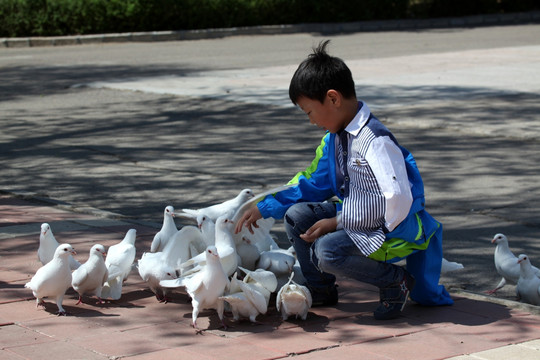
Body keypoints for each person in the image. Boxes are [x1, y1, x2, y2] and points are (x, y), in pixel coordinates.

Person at [235, 40, 453, 320]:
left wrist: (338, 222)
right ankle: (320, 289)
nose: (311, 121)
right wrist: (265, 206)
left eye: (310, 112)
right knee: (296, 215)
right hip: (361, 216)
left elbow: (396, 201)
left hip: (398, 224)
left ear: (333, 98)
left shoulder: (375, 141)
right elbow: (312, 184)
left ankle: (395, 280)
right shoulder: (334, 139)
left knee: (327, 251)